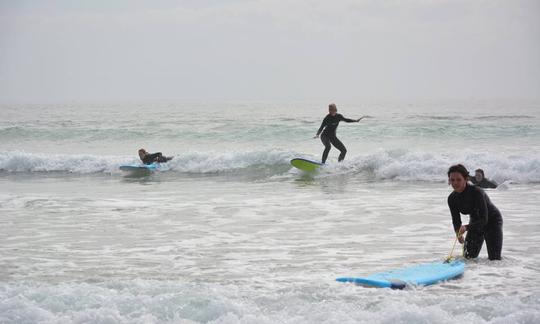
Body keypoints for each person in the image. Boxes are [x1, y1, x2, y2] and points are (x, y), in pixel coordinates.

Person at [447, 164, 503, 260]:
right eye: (452, 180)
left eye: (458, 179)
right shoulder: (452, 199)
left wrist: (466, 227)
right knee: (468, 258)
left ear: (466, 179)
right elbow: (456, 220)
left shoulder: (477, 192)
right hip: (475, 222)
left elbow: (484, 219)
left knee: (494, 260)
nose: (455, 183)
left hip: (492, 221)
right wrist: (458, 232)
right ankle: (474, 275)